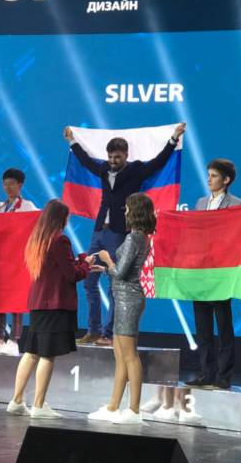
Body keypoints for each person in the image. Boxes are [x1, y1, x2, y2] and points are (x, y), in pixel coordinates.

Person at [64, 122, 186, 346]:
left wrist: (173, 139)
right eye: (110, 157)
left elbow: (158, 162)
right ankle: (93, 330)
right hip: (99, 231)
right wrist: (72, 140)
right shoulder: (103, 169)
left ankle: (109, 333)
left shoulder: (136, 169)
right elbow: (86, 161)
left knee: (114, 283)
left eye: (117, 157)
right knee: (89, 280)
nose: (113, 161)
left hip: (119, 232)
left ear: (126, 155)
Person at [6, 199, 96, 419]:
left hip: (38, 304)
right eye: (67, 218)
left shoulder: (37, 239)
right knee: (47, 356)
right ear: (60, 218)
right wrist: (87, 264)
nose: (68, 222)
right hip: (54, 305)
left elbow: (61, 267)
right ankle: (38, 405)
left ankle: (17, 401)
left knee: (31, 353)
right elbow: (72, 274)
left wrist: (81, 260)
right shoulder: (59, 240)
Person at [87, 193, 155, 425]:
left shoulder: (135, 237)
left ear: (135, 211)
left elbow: (122, 272)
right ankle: (113, 406)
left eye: (127, 208)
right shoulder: (139, 237)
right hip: (123, 297)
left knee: (130, 356)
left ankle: (134, 410)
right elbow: (119, 272)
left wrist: (107, 260)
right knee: (121, 357)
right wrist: (105, 269)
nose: (125, 212)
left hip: (128, 299)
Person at [185, 159, 241, 390]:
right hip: (200, 272)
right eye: (208, 175)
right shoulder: (200, 203)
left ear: (226, 179)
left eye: (214, 175)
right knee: (203, 327)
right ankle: (206, 373)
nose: (209, 179)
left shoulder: (237, 204)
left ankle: (223, 376)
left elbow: (238, 238)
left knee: (223, 326)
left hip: (221, 273)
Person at [0, 168, 39, 357]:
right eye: (5, 184)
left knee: (16, 301)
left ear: (20, 185)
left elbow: (40, 222)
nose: (8, 187)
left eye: (11, 183)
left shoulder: (28, 207)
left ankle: (14, 341)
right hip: (0, 262)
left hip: (19, 262)